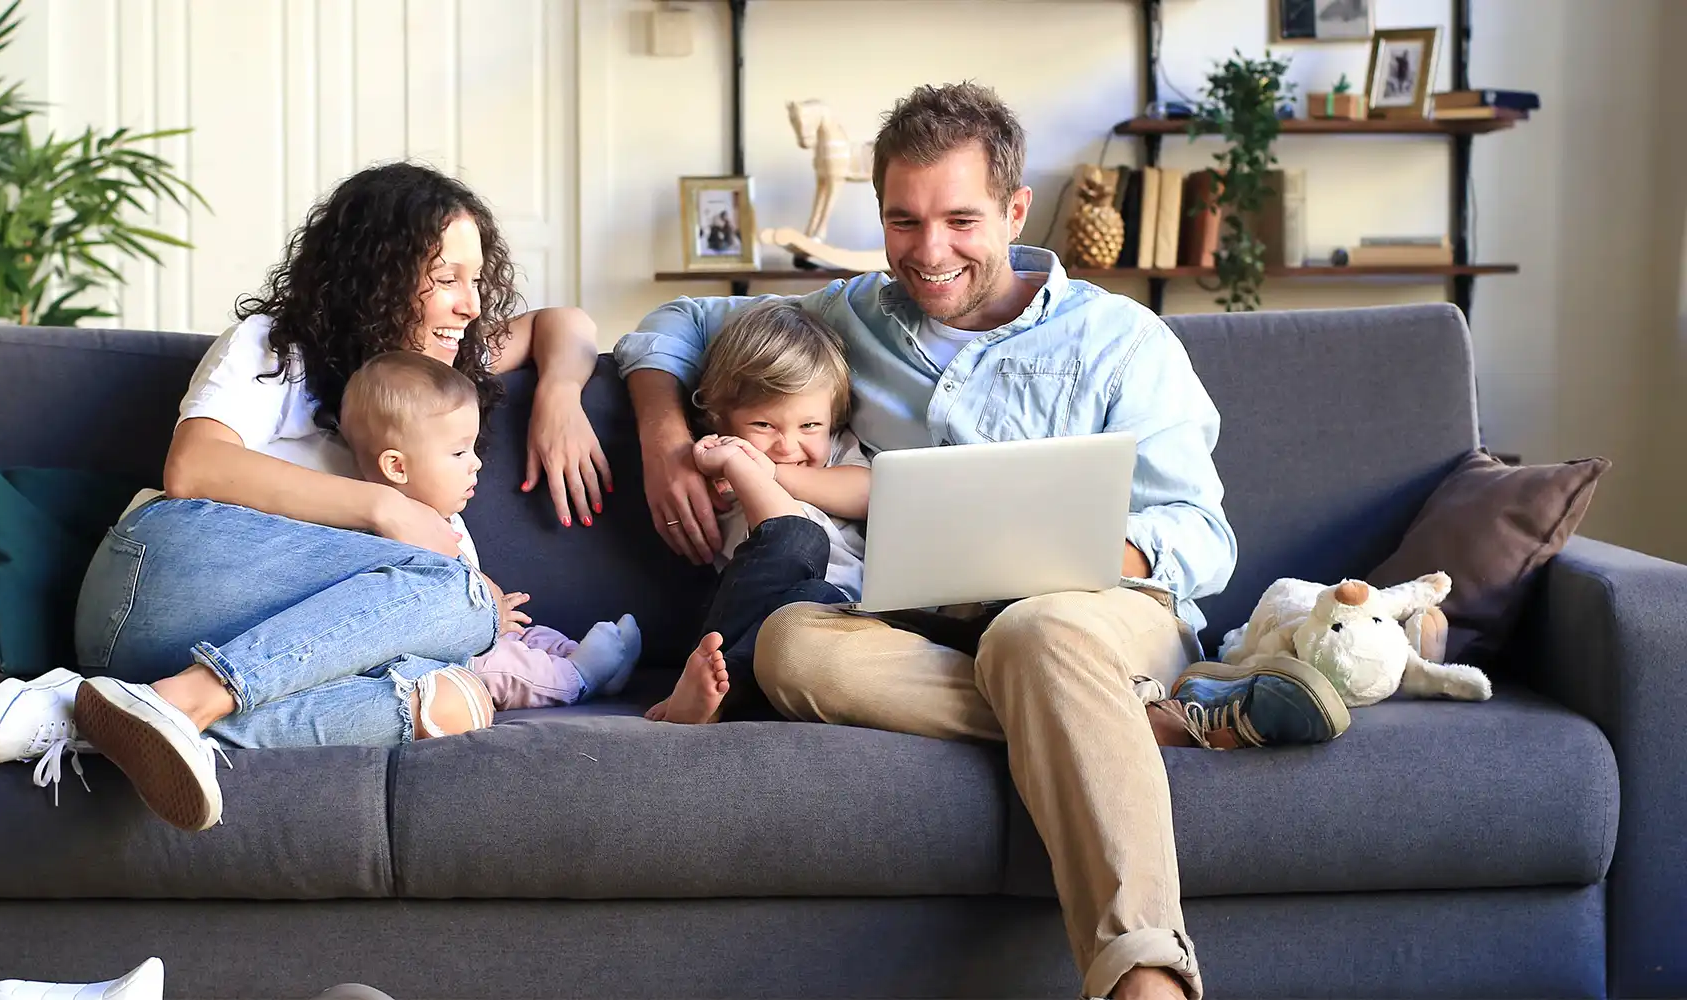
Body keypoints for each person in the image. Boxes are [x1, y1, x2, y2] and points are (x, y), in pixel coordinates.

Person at [613, 82, 1351, 1000]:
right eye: (903, 220)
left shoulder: (1123, 341)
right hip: (914, 624)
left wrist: (1064, 559)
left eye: (961, 219)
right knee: (795, 646)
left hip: (1094, 615)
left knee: (1035, 632)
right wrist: (663, 438)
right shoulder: (846, 316)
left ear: (1013, 209)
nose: (929, 253)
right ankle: (1141, 716)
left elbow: (1201, 536)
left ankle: (1144, 977)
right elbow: (678, 325)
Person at [0, 161, 615, 833]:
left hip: (241, 653)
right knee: (463, 593)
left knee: (455, 698)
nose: (472, 304)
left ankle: (92, 717)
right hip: (160, 583)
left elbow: (562, 324)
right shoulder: (275, 348)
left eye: (475, 280)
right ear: (376, 277)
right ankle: (186, 700)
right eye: (446, 280)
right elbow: (194, 465)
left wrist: (560, 397)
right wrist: (389, 511)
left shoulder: (435, 370)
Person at [337, 350, 642, 710]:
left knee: (530, 637)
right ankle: (579, 678)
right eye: (458, 453)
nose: (477, 463)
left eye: (473, 448)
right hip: (443, 657)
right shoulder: (386, 534)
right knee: (498, 668)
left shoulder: (444, 516)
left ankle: (597, 665)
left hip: (478, 630)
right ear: (397, 467)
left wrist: (494, 611)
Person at [641, 301, 868, 724]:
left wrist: (769, 470)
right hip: (748, 618)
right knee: (798, 545)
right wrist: (742, 467)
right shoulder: (718, 462)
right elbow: (786, 531)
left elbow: (869, 492)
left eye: (810, 426)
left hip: (835, 620)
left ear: (833, 417)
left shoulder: (836, 451)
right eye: (764, 426)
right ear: (718, 417)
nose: (788, 445)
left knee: (817, 598)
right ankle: (711, 694)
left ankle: (719, 702)